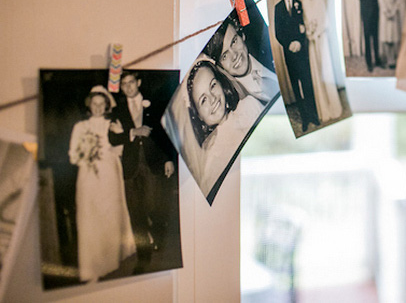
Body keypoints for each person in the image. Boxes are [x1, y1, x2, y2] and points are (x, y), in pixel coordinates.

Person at [108, 72, 176, 271]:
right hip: (130, 167)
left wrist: (168, 159)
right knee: (135, 213)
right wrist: (131, 132)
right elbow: (112, 139)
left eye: (131, 82)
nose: (128, 87)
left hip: (152, 162)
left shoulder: (153, 104)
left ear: (138, 83)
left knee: (155, 207)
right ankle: (143, 257)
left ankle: (158, 236)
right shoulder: (118, 110)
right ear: (120, 87)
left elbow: (166, 133)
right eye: (124, 84)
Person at [68, 86, 135, 281]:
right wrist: (87, 155)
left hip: (109, 178)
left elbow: (120, 151)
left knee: (109, 217)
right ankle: (91, 267)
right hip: (88, 178)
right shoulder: (80, 127)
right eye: (94, 104)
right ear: (89, 105)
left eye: (101, 104)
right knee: (89, 218)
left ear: (106, 106)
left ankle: (110, 263)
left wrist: (119, 133)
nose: (97, 108)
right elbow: (73, 156)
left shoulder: (111, 124)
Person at [186, 60, 262, 195]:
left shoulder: (249, 106)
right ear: (199, 115)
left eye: (213, 85)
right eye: (203, 100)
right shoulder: (209, 160)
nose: (212, 98)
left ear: (221, 83)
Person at [274, 0, 320, 132]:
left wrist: (299, 42)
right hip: (289, 53)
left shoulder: (299, 4)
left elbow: (303, 27)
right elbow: (278, 33)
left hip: (301, 52)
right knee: (296, 87)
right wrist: (289, 44)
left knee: (307, 84)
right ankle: (305, 118)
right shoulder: (278, 8)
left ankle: (313, 115)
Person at [202, 15, 278, 106]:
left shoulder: (266, 45)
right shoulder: (236, 102)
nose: (234, 56)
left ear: (242, 36)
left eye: (234, 42)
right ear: (220, 66)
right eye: (224, 56)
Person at [302, 0, 343, 122]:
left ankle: (333, 105)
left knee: (326, 71)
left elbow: (325, 21)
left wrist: (317, 32)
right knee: (316, 73)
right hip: (312, 41)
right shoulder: (305, 2)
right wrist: (309, 33)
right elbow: (306, 22)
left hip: (322, 39)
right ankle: (323, 108)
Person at [378, 0, 401, 68]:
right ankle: (388, 60)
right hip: (385, 13)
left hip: (393, 12)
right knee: (386, 38)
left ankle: (393, 60)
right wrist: (386, 11)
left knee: (392, 37)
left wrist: (394, 10)